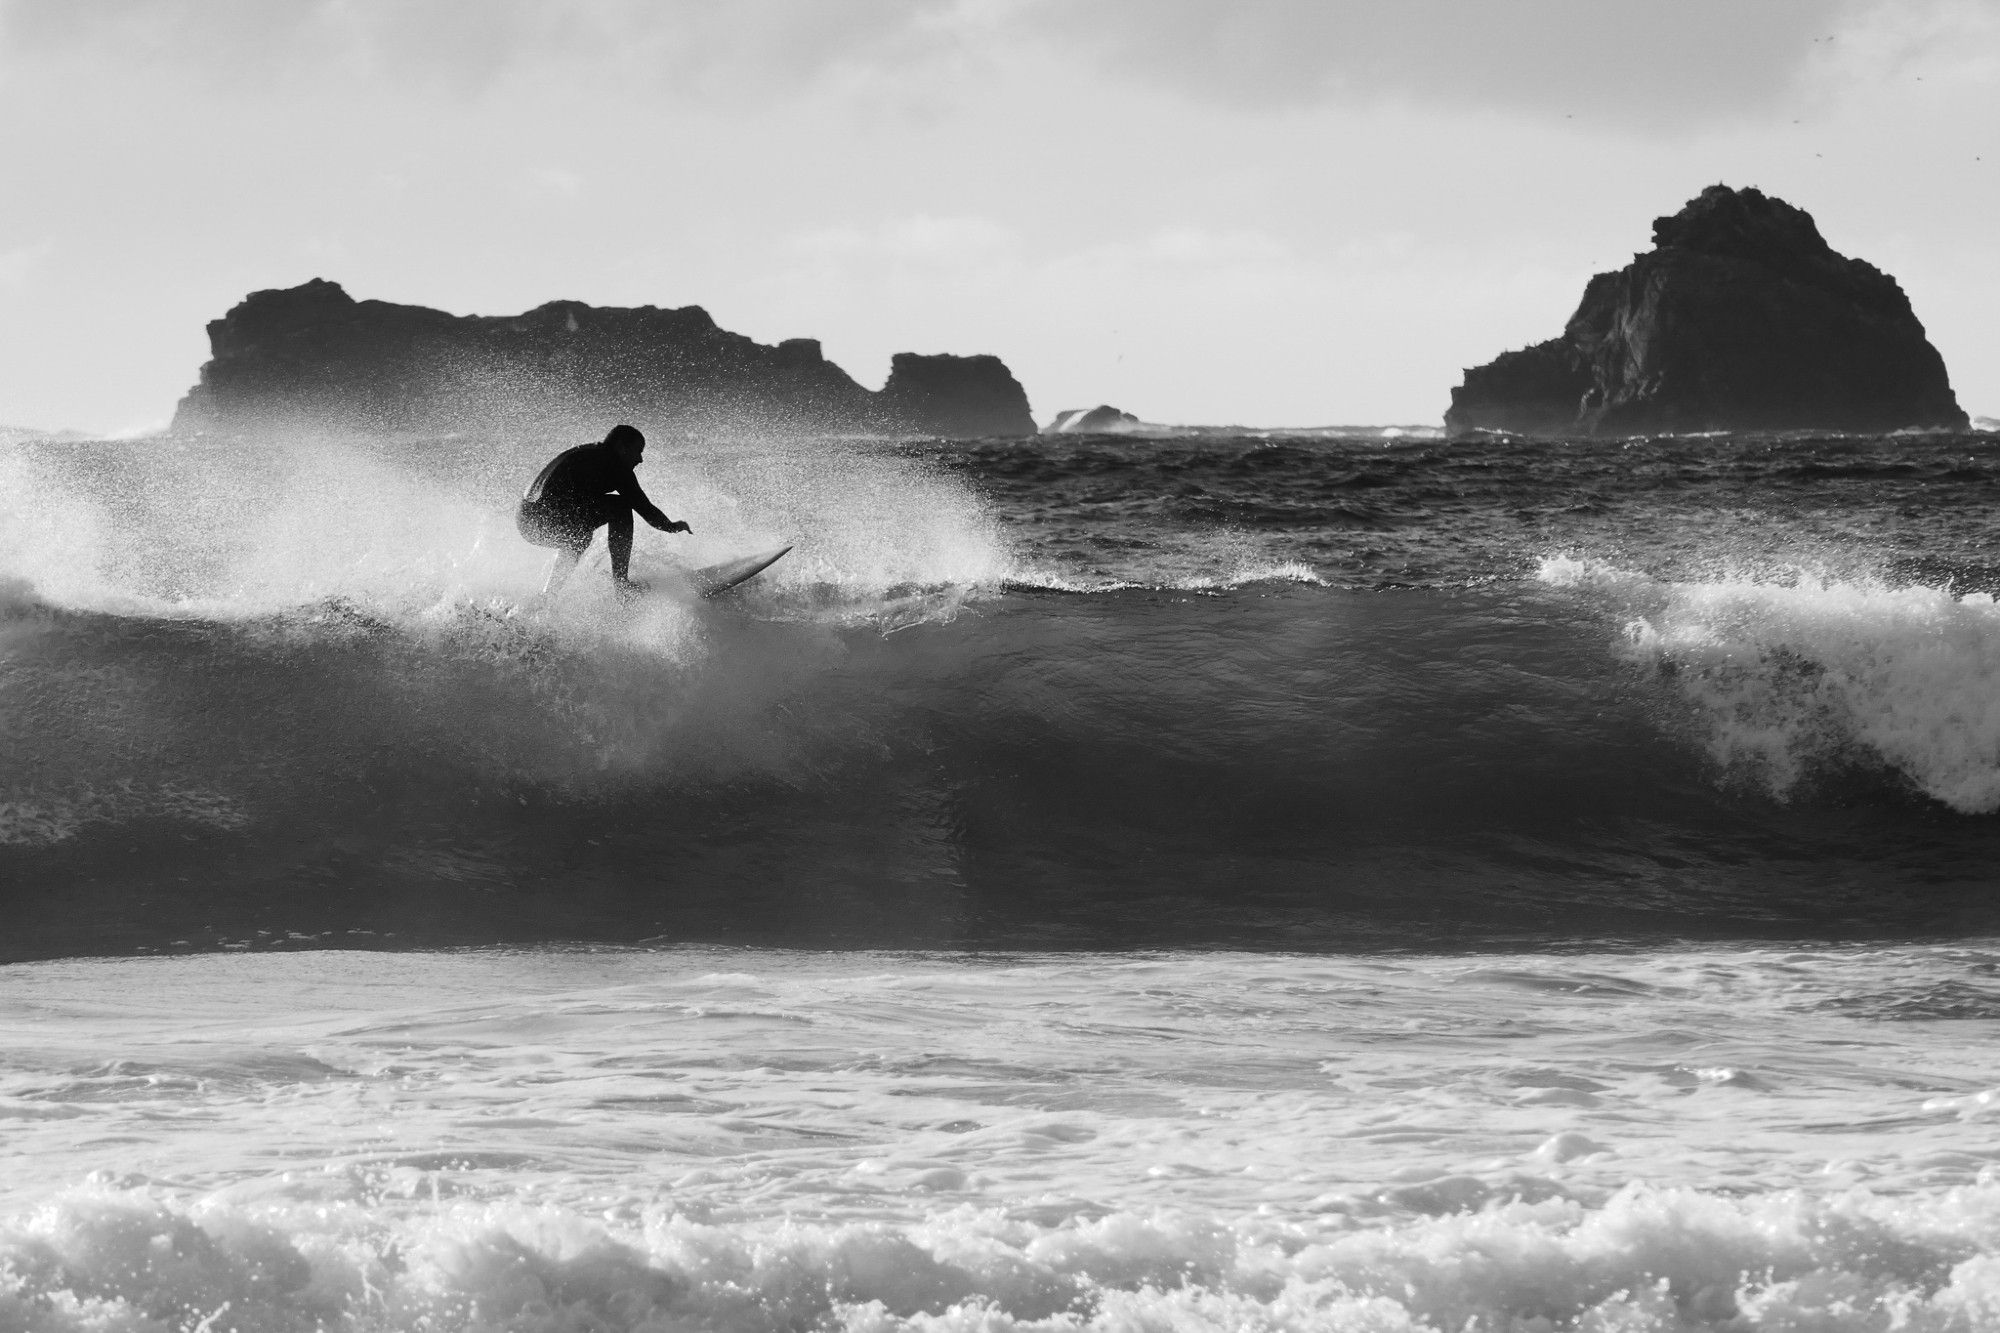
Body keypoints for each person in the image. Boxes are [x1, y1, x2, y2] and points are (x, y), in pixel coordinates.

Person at [517, 424, 692, 597]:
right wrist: (671, 526)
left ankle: (547, 597)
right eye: (637, 451)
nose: (640, 459)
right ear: (622, 448)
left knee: (580, 536)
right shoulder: (613, 464)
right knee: (620, 506)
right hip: (543, 518)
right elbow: (643, 508)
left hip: (527, 521)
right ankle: (622, 585)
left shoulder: (590, 452)